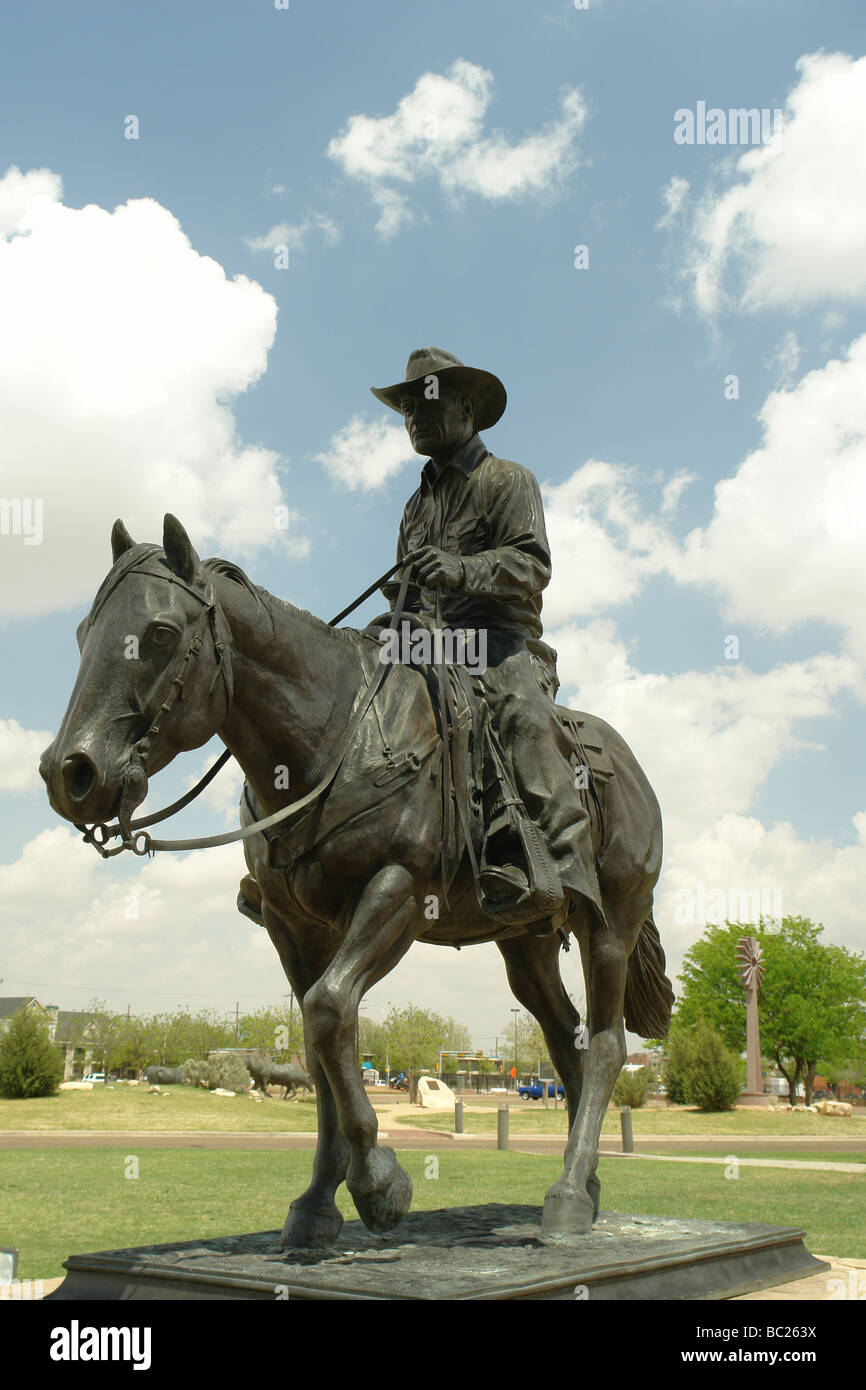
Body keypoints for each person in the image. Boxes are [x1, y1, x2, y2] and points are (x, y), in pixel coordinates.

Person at [371, 347, 605, 931]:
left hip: (499, 644)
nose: (414, 418)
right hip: (427, 644)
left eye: (426, 402)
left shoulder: (507, 480)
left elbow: (532, 566)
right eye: (405, 409)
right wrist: (400, 600)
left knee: (520, 713)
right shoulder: (414, 505)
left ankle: (559, 857)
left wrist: (459, 569)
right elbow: (411, 587)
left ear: (467, 409)